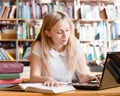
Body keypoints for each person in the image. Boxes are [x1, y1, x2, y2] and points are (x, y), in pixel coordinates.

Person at [29, 11, 99, 87]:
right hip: (46, 90)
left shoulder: (75, 46)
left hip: (67, 90)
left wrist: (91, 77)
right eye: (59, 32)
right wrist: (47, 79)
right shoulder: (39, 46)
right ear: (48, 33)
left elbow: (82, 78)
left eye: (67, 30)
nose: (65, 36)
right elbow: (33, 77)